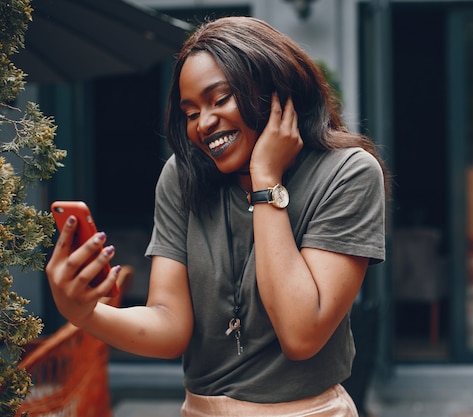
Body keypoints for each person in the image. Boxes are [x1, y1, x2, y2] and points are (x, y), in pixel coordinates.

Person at [45, 16, 386, 417]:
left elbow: (301, 333)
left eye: (220, 99)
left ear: (275, 92)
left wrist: (266, 181)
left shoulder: (348, 173)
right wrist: (84, 312)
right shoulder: (182, 177)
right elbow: (170, 326)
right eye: (191, 112)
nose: (204, 124)